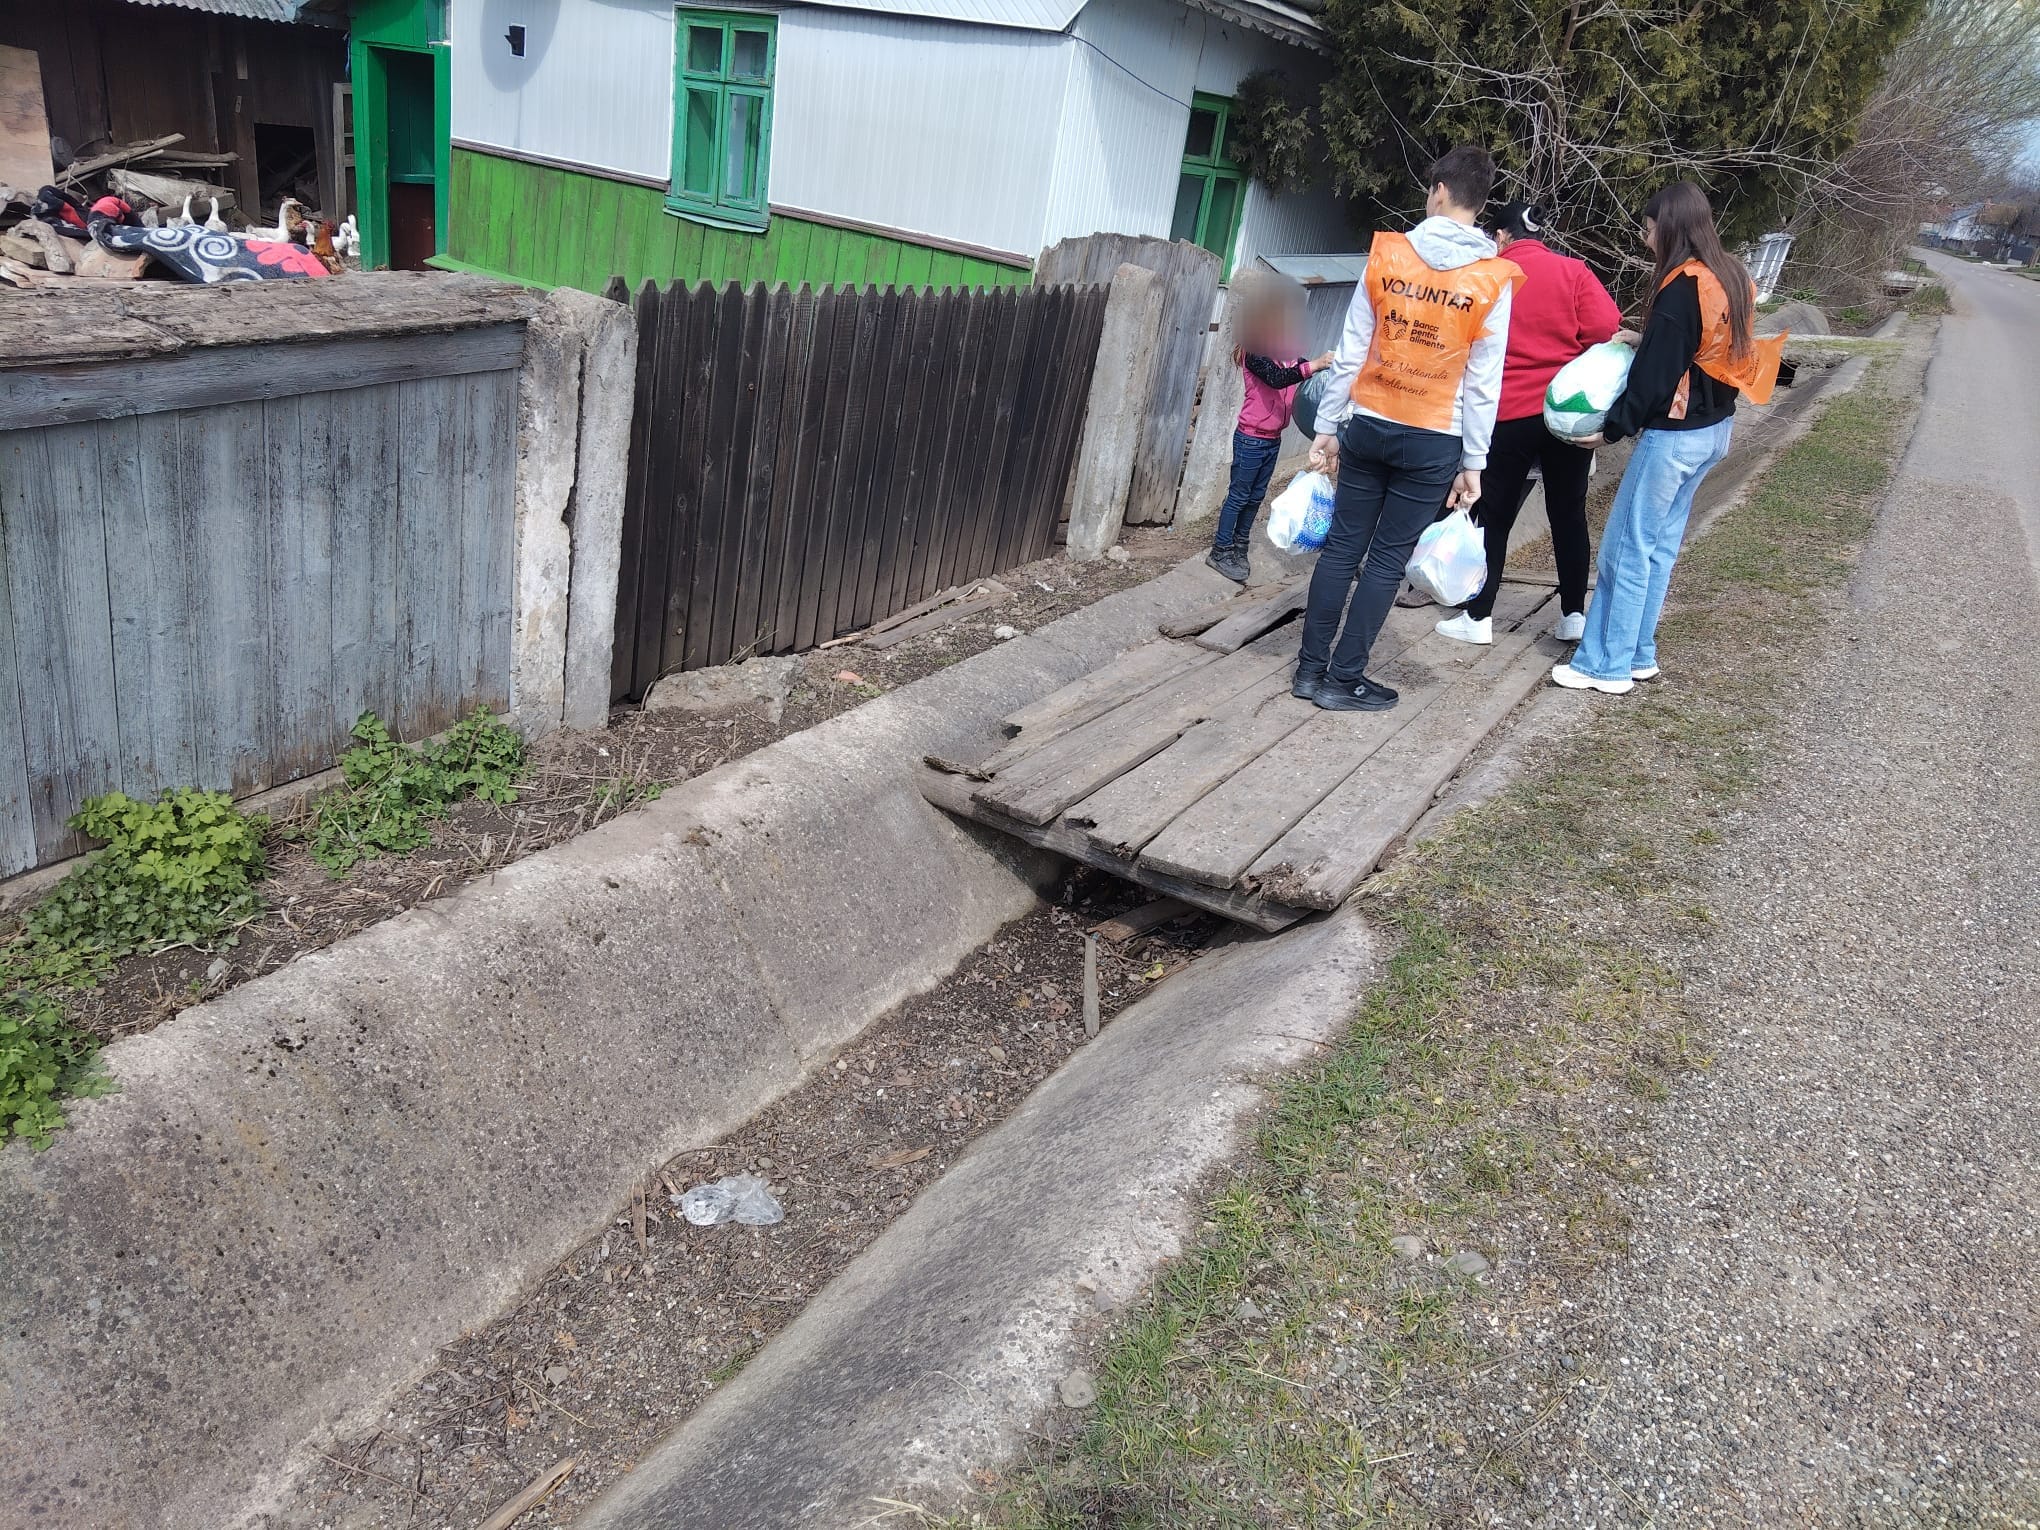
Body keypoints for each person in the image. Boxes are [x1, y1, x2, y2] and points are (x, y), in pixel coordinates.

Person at [1298, 145, 1520, 711]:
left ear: (1439, 191)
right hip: (1434, 437)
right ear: (1480, 202)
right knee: (1386, 560)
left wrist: (1327, 424)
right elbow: (1483, 382)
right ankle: (1344, 678)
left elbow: (1351, 349)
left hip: (1368, 423)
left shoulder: (1388, 254)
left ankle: (1309, 671)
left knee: (1341, 548)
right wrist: (1475, 463)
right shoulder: (1493, 278)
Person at [1552, 181, 1785, 694]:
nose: (1645, 236)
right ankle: (1638, 653)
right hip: (1715, 430)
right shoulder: (1731, 275)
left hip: (1674, 439)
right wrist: (1647, 337)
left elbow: (1656, 377)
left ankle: (1604, 665)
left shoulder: (1680, 288)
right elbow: (1702, 349)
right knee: (1658, 550)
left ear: (1671, 227)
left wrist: (1612, 429)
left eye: (1650, 227)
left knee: (1625, 551)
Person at [1434, 201, 1621, 647]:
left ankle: (1479, 616)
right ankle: (1573, 614)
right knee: (1568, 514)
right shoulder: (1574, 271)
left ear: (1501, 236)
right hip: (1564, 415)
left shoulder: (1490, 275)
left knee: (1492, 515)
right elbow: (1606, 328)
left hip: (1507, 412)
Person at [1208, 275, 1332, 583]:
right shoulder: (1254, 352)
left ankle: (1240, 545)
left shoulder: (1285, 352)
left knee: (1255, 497)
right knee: (1239, 496)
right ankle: (1220, 550)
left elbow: (1301, 370)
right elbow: (1278, 379)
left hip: (1272, 438)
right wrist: (1314, 365)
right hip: (1250, 438)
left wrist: (1330, 367)